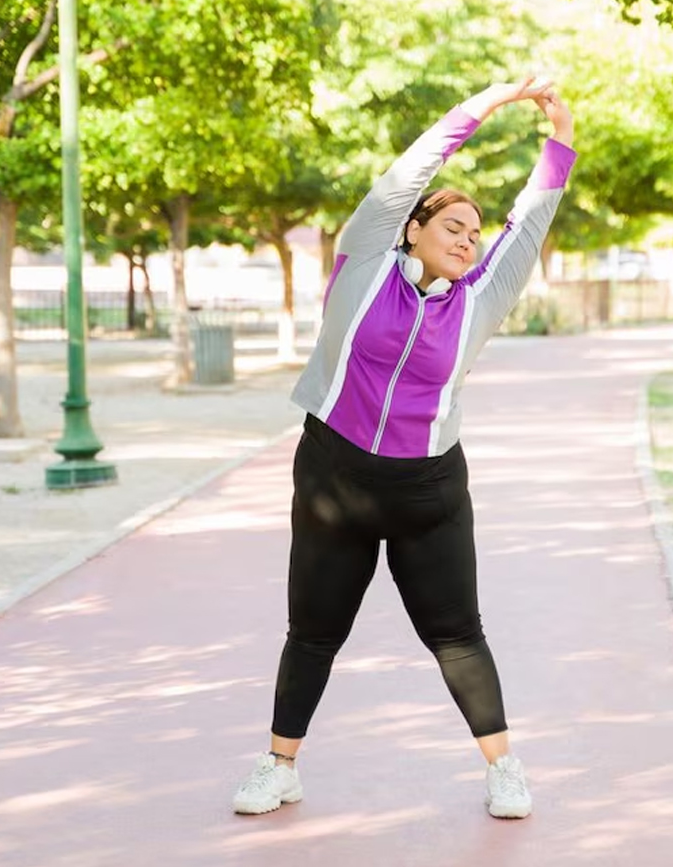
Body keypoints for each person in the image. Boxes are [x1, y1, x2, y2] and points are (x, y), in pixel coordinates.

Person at [233, 77, 575, 820]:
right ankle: (278, 765)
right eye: (453, 223)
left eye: (474, 233)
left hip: (429, 494)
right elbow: (404, 175)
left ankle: (504, 767)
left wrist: (559, 137)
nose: (467, 238)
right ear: (412, 227)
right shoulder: (361, 267)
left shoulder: (479, 301)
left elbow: (531, 222)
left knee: (457, 634)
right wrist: (486, 105)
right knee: (313, 632)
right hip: (333, 479)